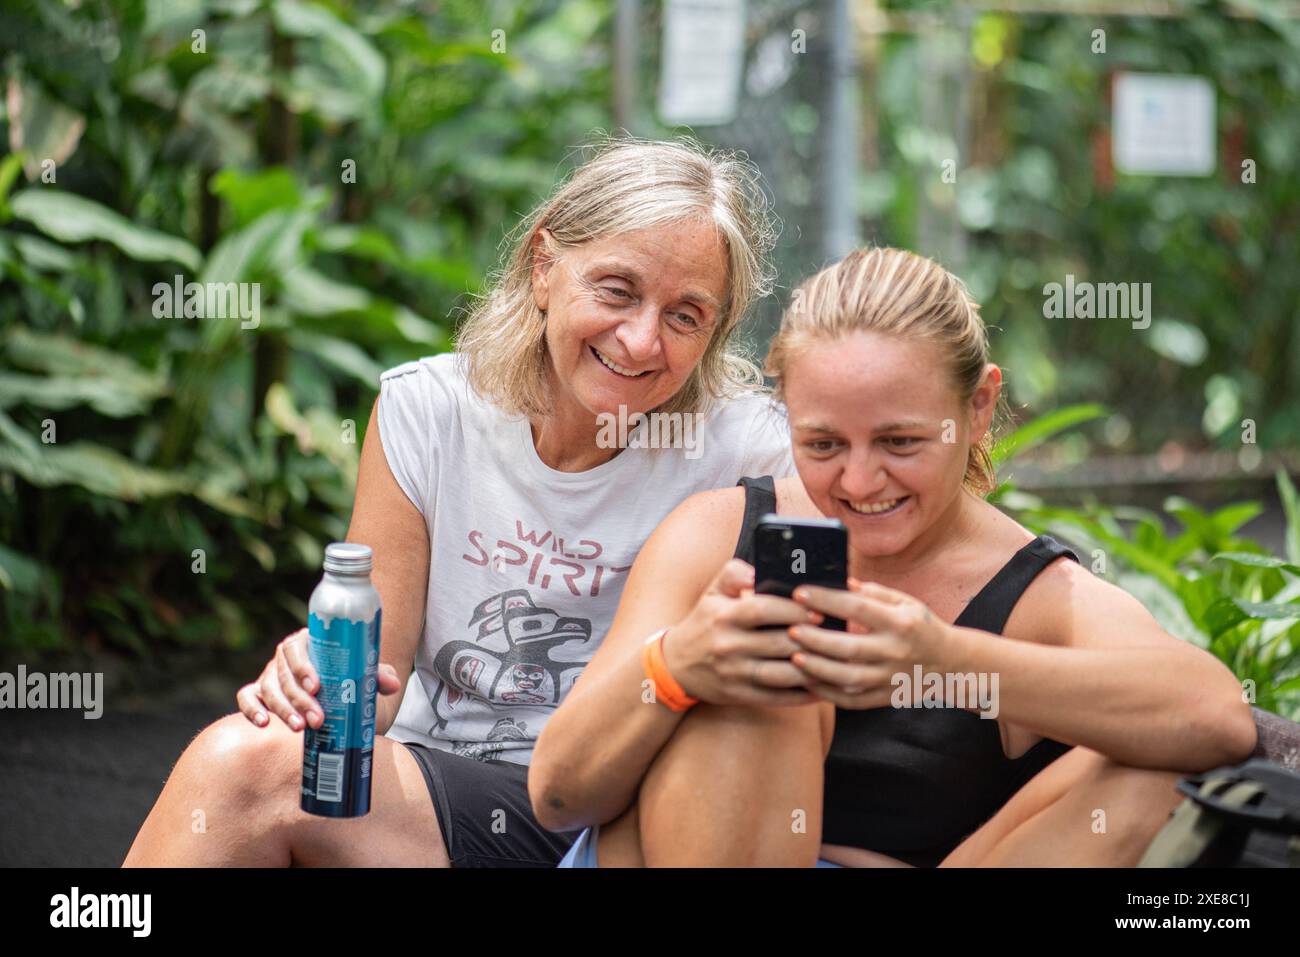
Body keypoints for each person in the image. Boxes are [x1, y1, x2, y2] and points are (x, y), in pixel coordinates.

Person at [123, 137, 798, 867]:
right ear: (544, 268)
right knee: (240, 763)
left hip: (629, 806)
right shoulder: (431, 410)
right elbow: (375, 672)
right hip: (438, 788)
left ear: (716, 331)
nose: (641, 340)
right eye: (617, 290)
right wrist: (315, 681)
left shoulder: (751, 452)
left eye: (686, 315)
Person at [531, 246, 1259, 867]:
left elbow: (1219, 719)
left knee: (1153, 774)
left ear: (977, 409)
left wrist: (942, 658)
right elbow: (560, 793)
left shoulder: (1039, 594)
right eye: (822, 444)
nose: (857, 481)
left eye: (900, 442)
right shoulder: (720, 531)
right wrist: (680, 663)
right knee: (764, 678)